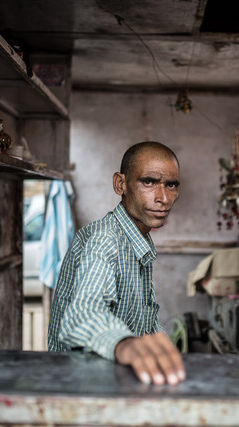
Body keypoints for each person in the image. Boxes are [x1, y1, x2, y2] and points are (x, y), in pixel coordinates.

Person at [47, 141, 186, 386]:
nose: (163, 198)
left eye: (171, 185)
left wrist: (166, 351)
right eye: (149, 182)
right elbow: (82, 314)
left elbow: (144, 323)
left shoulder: (135, 241)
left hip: (115, 383)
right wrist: (124, 345)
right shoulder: (106, 240)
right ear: (120, 184)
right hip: (84, 389)